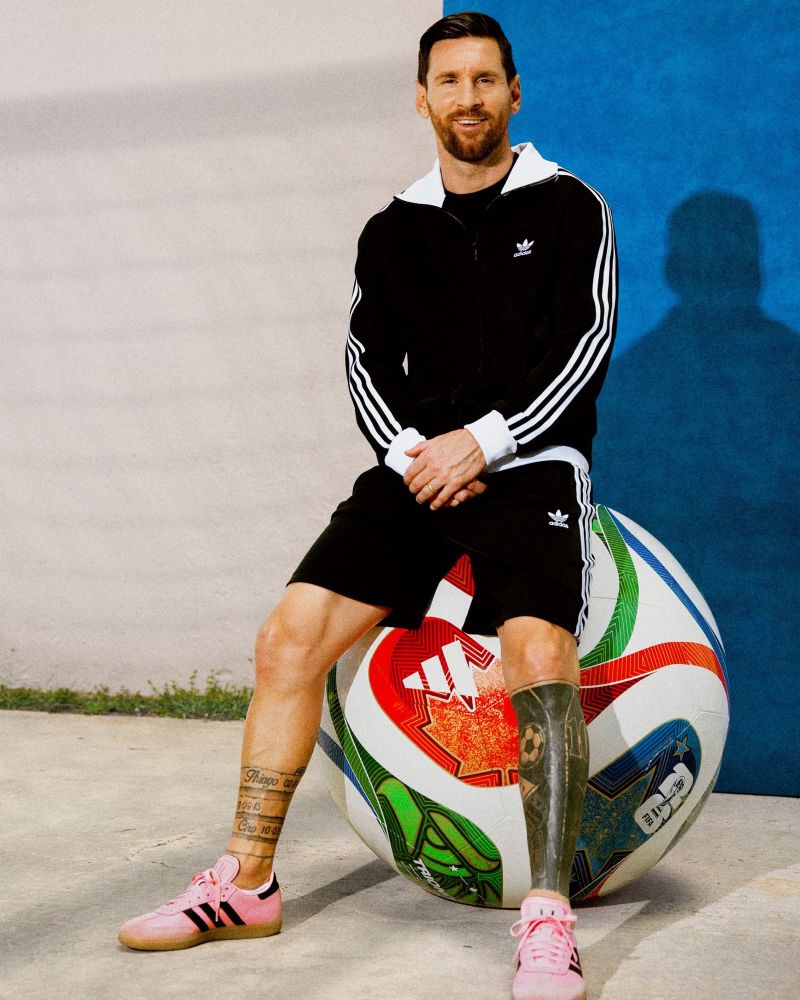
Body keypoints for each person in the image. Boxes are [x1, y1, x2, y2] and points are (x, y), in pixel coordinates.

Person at [118, 12, 617, 1000]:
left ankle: (547, 920)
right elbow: (362, 358)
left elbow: (587, 340)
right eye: (448, 81)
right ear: (421, 98)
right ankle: (246, 881)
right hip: (413, 467)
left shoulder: (570, 206)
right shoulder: (393, 228)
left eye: (484, 80)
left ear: (513, 94)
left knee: (535, 653)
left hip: (531, 464)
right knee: (286, 638)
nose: (466, 98)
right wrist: (408, 451)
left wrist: (489, 440)